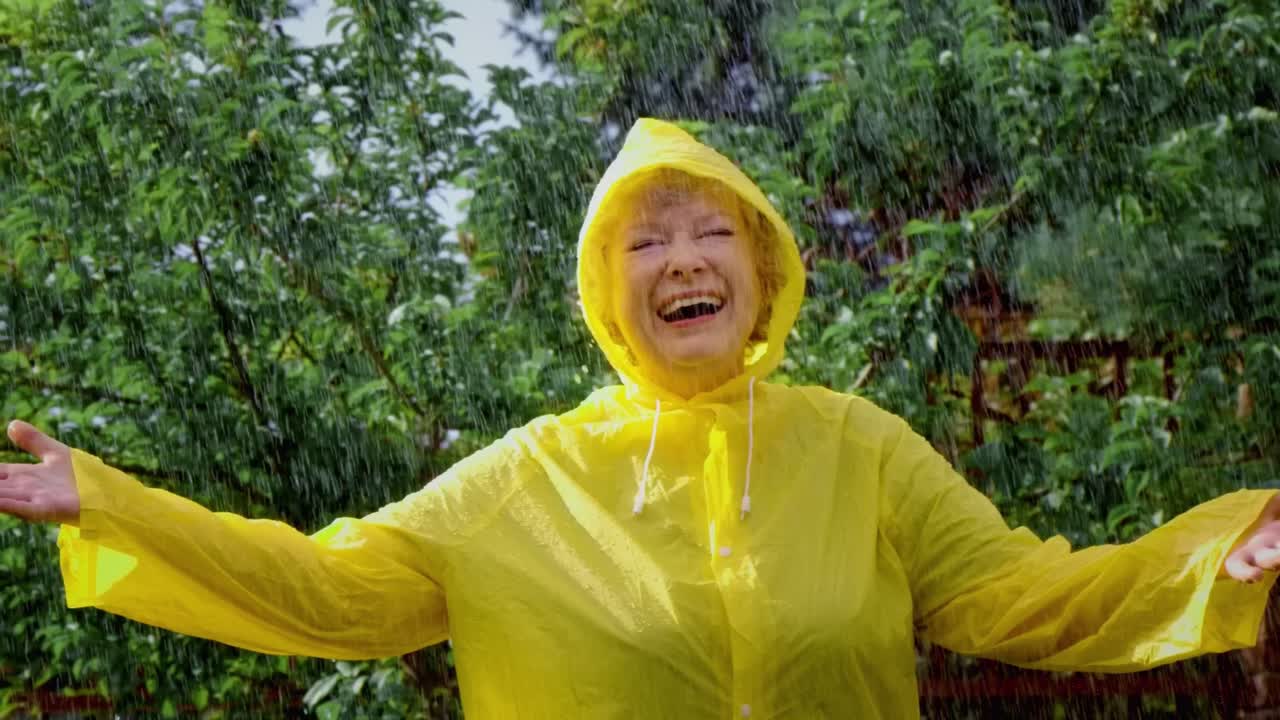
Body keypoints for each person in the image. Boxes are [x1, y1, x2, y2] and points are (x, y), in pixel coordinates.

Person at [3, 118, 1280, 719]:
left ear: (762, 270)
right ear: (606, 294)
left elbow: (1020, 598)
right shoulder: (523, 481)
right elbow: (332, 590)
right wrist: (111, 502)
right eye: (646, 239)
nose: (683, 257)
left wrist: (1204, 562)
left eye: (711, 229)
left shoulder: (860, 449)